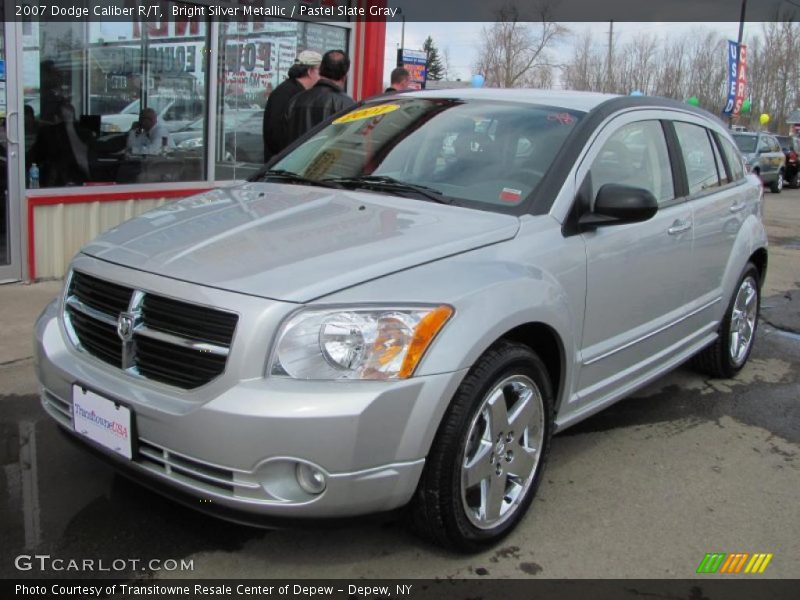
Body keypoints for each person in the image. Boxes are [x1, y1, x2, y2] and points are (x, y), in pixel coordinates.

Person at [284, 50, 355, 145]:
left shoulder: (295, 100)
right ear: (344, 77)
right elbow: (349, 142)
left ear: (321, 70)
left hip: (298, 159)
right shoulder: (348, 105)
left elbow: (284, 138)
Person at [262, 50, 322, 161]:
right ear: (310, 71)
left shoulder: (300, 92)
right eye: (320, 71)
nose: (323, 76)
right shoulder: (285, 94)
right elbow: (276, 134)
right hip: (282, 166)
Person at [29, 101, 94, 187]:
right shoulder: (86, 131)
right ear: (74, 117)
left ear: (56, 118)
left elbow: (34, 158)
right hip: (84, 181)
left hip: (55, 182)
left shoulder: (48, 133)